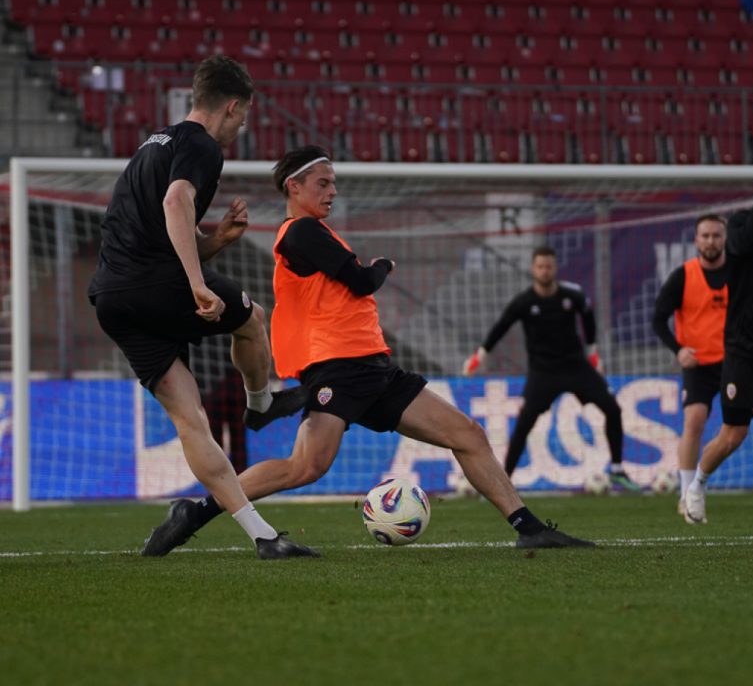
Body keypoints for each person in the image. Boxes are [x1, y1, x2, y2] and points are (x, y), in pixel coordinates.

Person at [139, 144, 595, 555]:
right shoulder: (300, 233)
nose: (332, 190)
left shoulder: (314, 232)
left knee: (468, 435)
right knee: (305, 468)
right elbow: (359, 280)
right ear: (293, 187)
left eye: (334, 182)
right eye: (323, 182)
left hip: (373, 368)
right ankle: (196, 512)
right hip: (339, 369)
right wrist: (380, 266)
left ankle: (528, 527)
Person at [88, 55, 311, 560]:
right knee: (253, 319)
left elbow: (162, 229)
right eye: (244, 116)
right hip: (158, 286)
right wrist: (196, 282)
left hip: (112, 298)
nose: (243, 126)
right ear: (231, 107)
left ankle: (262, 536)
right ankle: (263, 403)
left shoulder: (153, 143)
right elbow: (175, 202)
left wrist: (214, 243)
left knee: (192, 420)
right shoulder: (202, 145)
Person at [653, 213, 753, 520]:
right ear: (696, 240)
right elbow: (657, 319)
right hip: (701, 364)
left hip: (741, 359)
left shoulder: (740, 269)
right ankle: (687, 492)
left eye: (717, 235)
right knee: (698, 423)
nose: (711, 241)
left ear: (725, 239)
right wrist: (678, 350)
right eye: (705, 236)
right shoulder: (684, 275)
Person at [463, 246, 641, 492]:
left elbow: (588, 317)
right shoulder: (524, 302)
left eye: (548, 266)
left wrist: (592, 353)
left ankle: (618, 470)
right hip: (543, 372)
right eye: (540, 267)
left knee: (613, 408)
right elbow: (501, 327)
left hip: (577, 366)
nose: (544, 271)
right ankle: (503, 482)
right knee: (524, 423)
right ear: (533, 269)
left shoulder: (572, 295)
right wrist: (479, 356)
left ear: (555, 268)